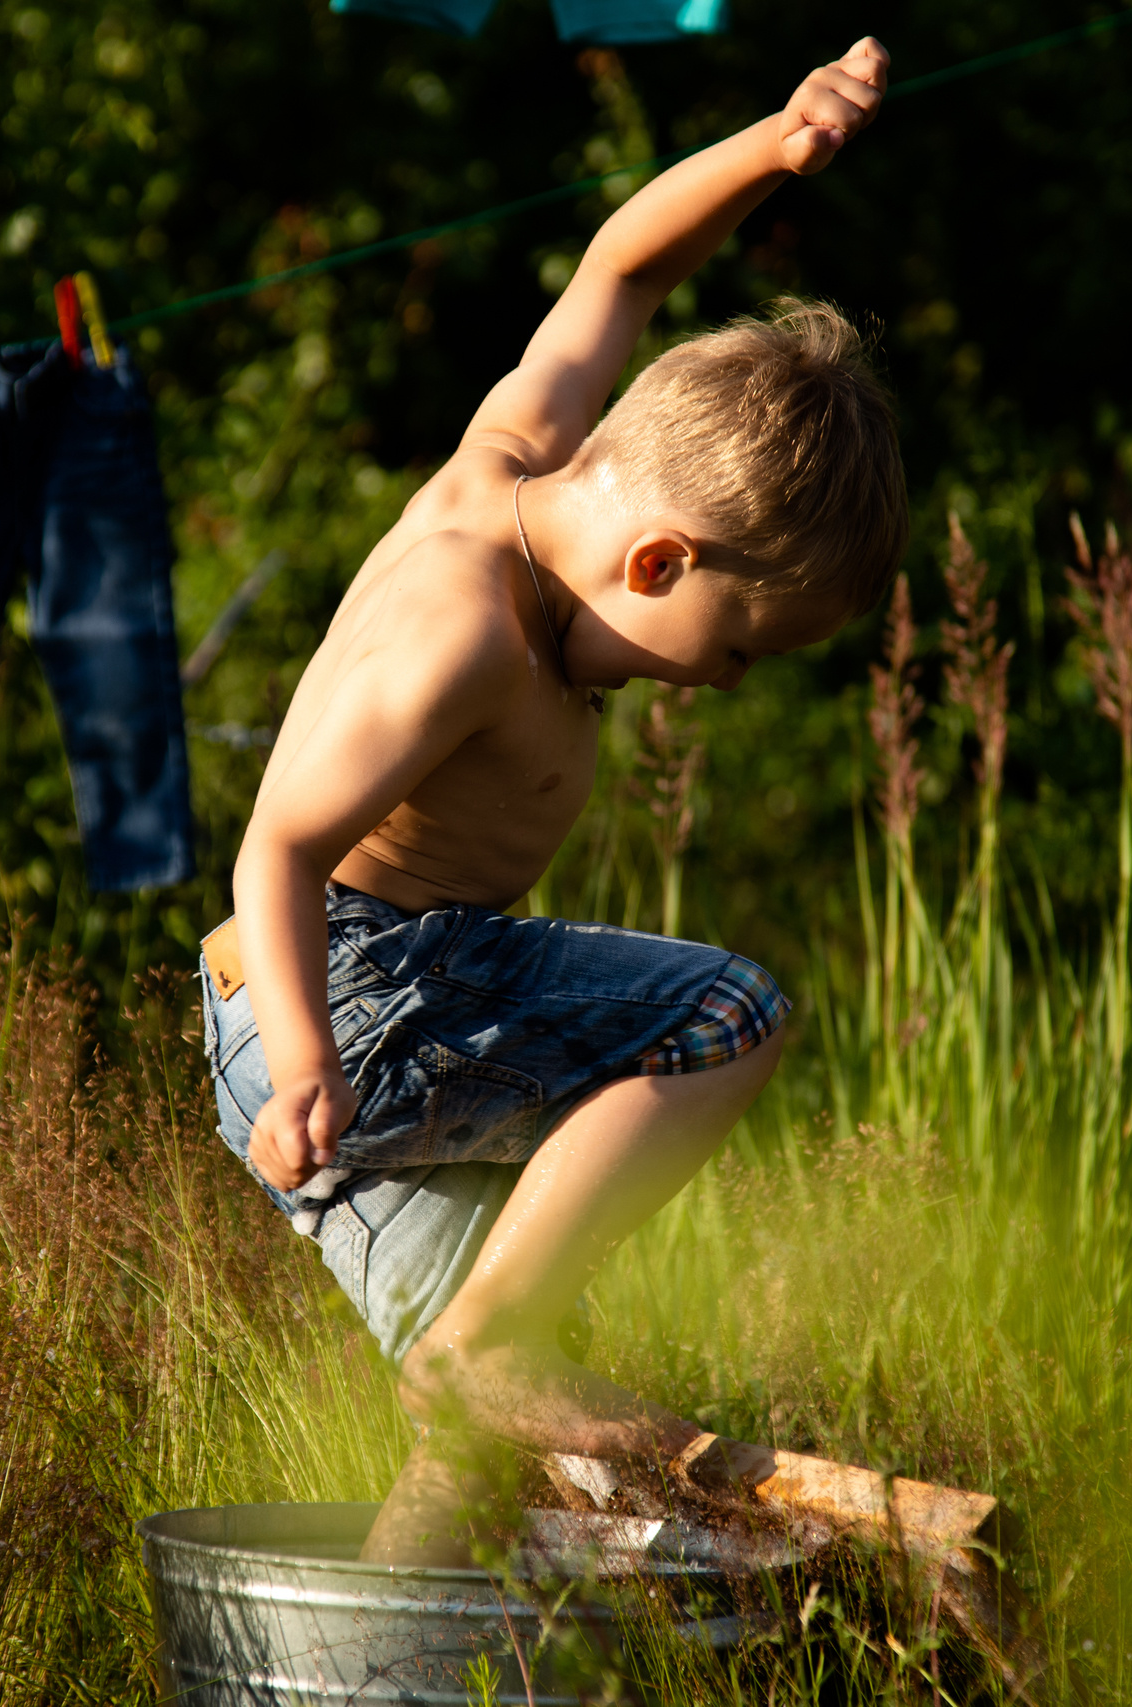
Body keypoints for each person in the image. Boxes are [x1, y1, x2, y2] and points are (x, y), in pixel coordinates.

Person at [200, 35, 905, 1564]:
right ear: (658, 561)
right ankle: (488, 1346)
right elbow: (282, 843)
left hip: (332, 1013)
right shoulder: (469, 626)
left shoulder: (522, 455)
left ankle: (384, 1641)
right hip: (346, 994)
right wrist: (312, 1054)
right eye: (736, 647)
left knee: (480, 1414)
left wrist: (776, 146)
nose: (725, 683)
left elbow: (620, 270)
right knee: (731, 1012)